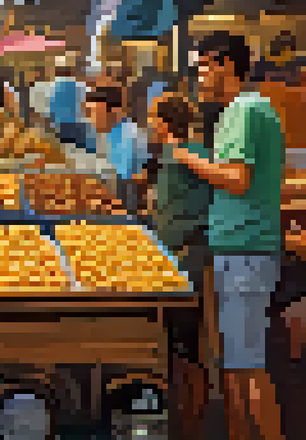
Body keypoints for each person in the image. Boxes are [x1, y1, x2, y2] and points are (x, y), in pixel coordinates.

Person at [172, 33, 286, 440]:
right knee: (235, 367)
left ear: (224, 64)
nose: (199, 76)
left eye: (203, 66)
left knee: (247, 367)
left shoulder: (245, 110)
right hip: (239, 247)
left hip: (245, 250)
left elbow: (237, 179)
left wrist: (187, 159)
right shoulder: (245, 110)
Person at [148, 93, 214, 440]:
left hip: (189, 257)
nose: (149, 123)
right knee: (175, 344)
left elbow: (196, 207)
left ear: (164, 123)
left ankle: (194, 422)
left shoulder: (189, 156)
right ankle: (182, 416)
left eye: (153, 117)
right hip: (175, 256)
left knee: (187, 344)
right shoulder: (171, 155)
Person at [84, 85, 148, 212]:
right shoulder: (105, 134)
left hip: (128, 206)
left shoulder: (130, 135)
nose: (90, 119)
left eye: (94, 113)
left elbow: (127, 182)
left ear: (114, 111)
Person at [47, 56, 92, 151]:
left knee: (65, 151)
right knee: (82, 151)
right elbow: (84, 105)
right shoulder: (79, 86)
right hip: (77, 123)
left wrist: (52, 124)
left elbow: (51, 108)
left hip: (60, 125)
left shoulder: (53, 87)